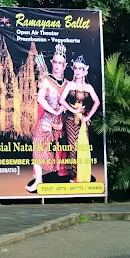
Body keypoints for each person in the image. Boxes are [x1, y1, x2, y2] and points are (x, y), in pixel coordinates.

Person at [26, 43, 68, 193]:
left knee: (62, 150)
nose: (57, 65)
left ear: (65, 65)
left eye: (60, 63)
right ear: (52, 63)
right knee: (38, 148)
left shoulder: (68, 84)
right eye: (55, 62)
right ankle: (38, 180)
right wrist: (55, 111)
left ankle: (64, 173)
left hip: (61, 124)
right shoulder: (46, 80)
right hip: (46, 121)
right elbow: (41, 99)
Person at [59, 55, 101, 183]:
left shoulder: (88, 87)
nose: (78, 71)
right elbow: (61, 100)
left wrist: (88, 116)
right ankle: (75, 175)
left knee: (83, 147)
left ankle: (82, 176)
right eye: (76, 68)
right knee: (73, 147)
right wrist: (74, 110)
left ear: (85, 71)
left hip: (82, 122)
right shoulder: (70, 85)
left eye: (81, 69)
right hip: (71, 120)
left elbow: (97, 102)